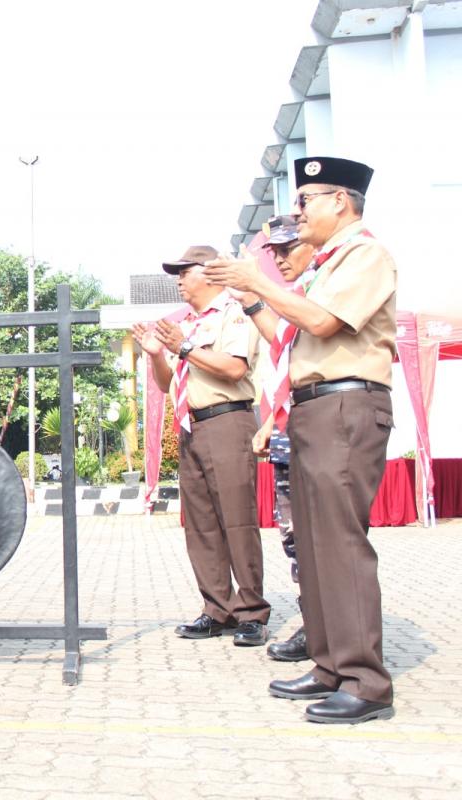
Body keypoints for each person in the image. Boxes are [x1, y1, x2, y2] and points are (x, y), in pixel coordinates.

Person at [206, 156, 397, 724]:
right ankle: (330, 665)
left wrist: (258, 282)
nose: (299, 211)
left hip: (347, 404)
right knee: (313, 547)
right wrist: (251, 298)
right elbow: (288, 335)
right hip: (315, 408)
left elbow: (321, 323)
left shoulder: (365, 254)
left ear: (341, 200)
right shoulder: (325, 265)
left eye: (306, 200)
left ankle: (365, 681)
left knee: (340, 544)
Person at [132, 245, 270, 648]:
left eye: (184, 271)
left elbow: (234, 368)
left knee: (237, 521)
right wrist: (156, 355)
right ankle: (217, 608)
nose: (178, 280)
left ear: (209, 273)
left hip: (227, 420)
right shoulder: (186, 324)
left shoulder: (233, 312)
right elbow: (165, 383)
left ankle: (252, 612)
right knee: (201, 524)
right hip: (192, 426)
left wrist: (184, 348)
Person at [218, 215, 316, 663]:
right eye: (273, 251)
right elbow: (284, 349)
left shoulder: (325, 285)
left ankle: (337, 634)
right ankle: (315, 626)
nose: (278, 258)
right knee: (296, 540)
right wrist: (271, 421)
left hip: (322, 426)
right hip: (286, 429)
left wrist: (257, 288)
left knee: (326, 538)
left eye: (287, 248)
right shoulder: (295, 294)